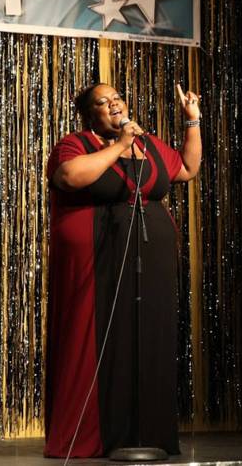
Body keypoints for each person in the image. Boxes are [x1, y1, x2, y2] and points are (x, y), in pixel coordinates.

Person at [43, 82, 202, 458]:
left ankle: (146, 431)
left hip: (151, 263)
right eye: (104, 102)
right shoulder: (77, 143)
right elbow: (69, 177)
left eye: (117, 98)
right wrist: (119, 147)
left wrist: (192, 123)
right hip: (98, 263)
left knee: (147, 341)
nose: (114, 105)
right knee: (98, 342)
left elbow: (187, 169)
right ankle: (94, 435)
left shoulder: (147, 143)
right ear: (89, 114)